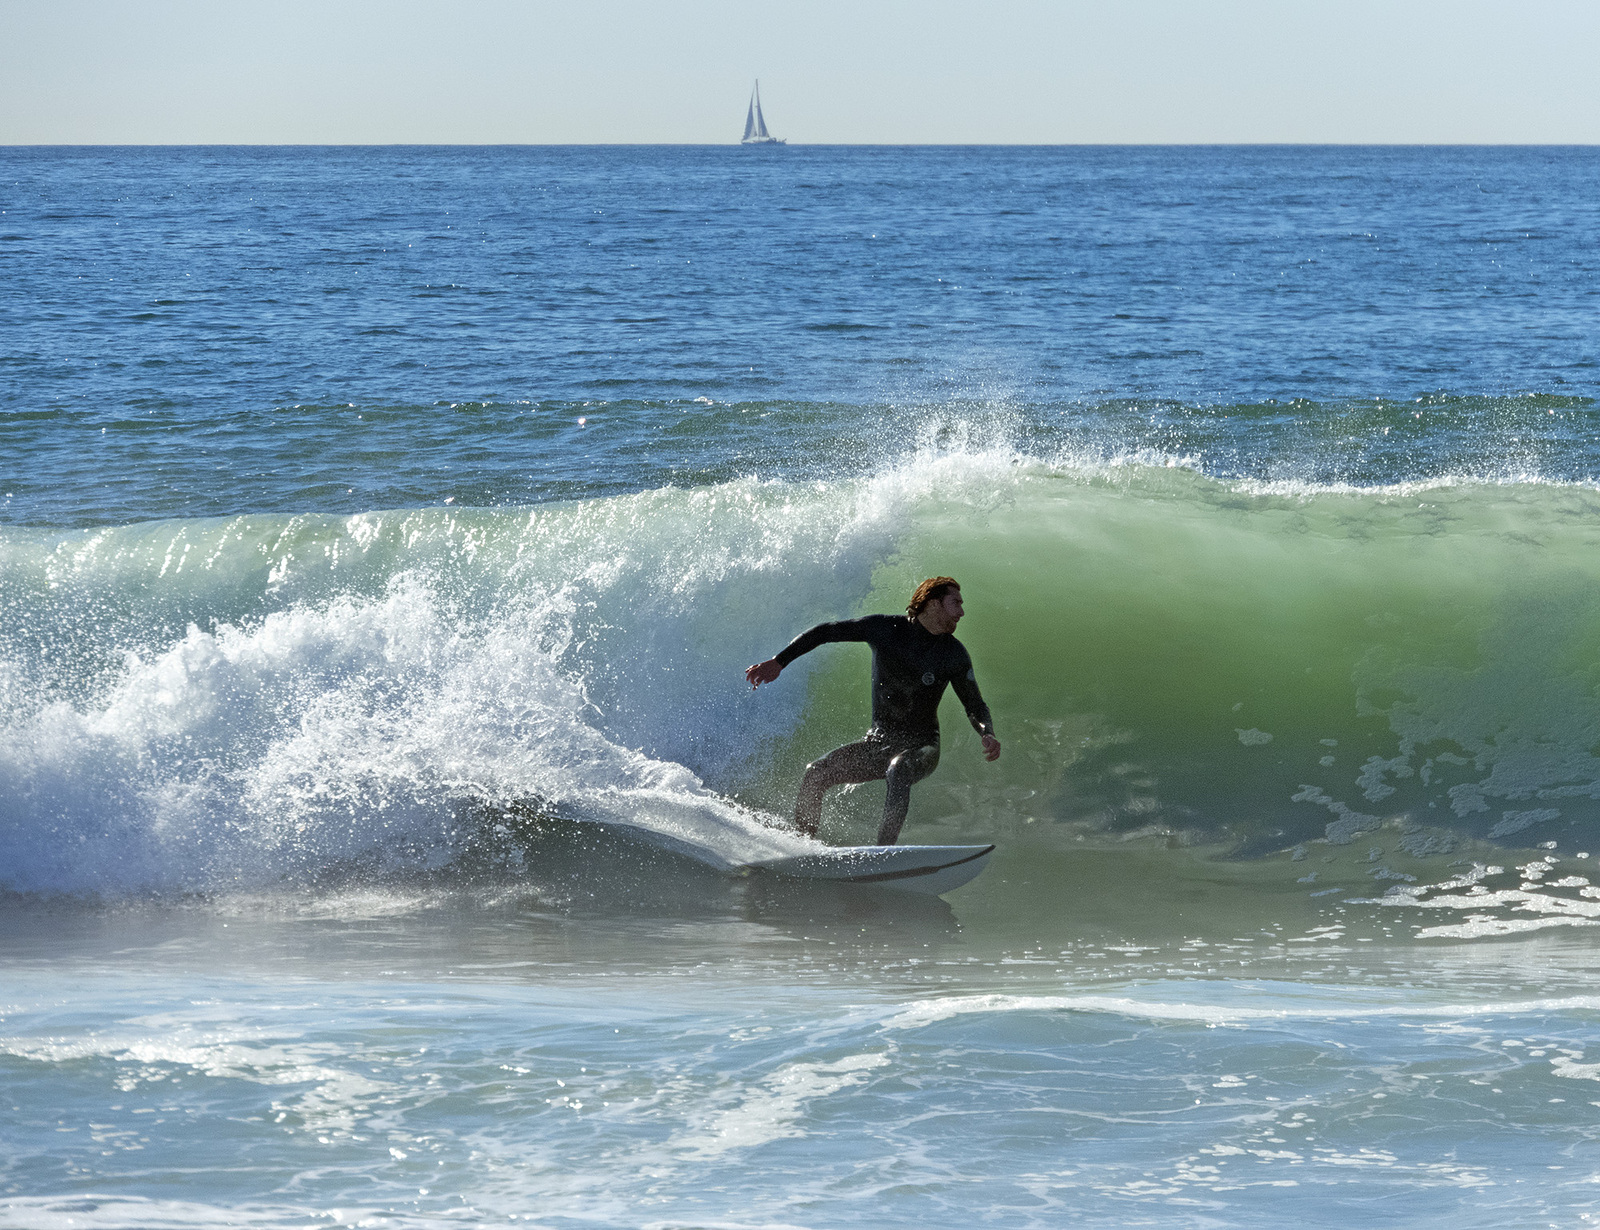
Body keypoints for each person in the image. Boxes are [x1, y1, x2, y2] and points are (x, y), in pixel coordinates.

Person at [745, 577, 1001, 845]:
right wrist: (779, 662)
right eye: (955, 603)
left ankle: (882, 854)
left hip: (922, 746)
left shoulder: (954, 654)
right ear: (933, 603)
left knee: (899, 770)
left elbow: (974, 704)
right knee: (816, 773)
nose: (961, 612)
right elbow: (826, 632)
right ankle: (799, 845)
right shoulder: (886, 629)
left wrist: (987, 732)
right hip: (878, 742)